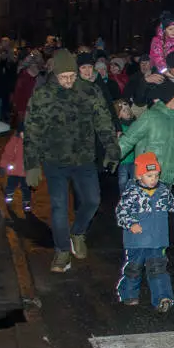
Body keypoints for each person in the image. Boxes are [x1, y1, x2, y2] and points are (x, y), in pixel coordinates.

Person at [24, 49, 120, 273]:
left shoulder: (89, 91)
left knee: (92, 201)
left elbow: (104, 121)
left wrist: (112, 150)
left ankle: (77, 232)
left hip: (83, 158)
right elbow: (32, 131)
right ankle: (62, 251)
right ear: (55, 75)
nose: (68, 81)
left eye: (72, 76)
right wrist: (31, 164)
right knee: (58, 206)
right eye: (63, 77)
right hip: (54, 160)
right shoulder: (43, 96)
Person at [115, 152, 174, 313]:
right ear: (139, 176)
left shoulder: (163, 191)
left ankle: (162, 298)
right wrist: (131, 223)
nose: (154, 179)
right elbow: (121, 212)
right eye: (149, 175)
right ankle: (128, 293)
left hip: (157, 239)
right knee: (134, 267)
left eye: (156, 175)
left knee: (158, 267)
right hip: (137, 240)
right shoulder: (132, 193)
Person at [116, 82, 174, 187]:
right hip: (146, 177)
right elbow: (129, 139)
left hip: (169, 180)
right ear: (171, 95)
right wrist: (113, 157)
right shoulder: (151, 116)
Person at [0, 125, 31, 212]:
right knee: (11, 185)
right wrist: (3, 166)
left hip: (26, 172)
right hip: (14, 171)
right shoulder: (14, 142)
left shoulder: (31, 142)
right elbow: (7, 154)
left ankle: (26, 202)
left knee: (26, 188)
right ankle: (9, 196)